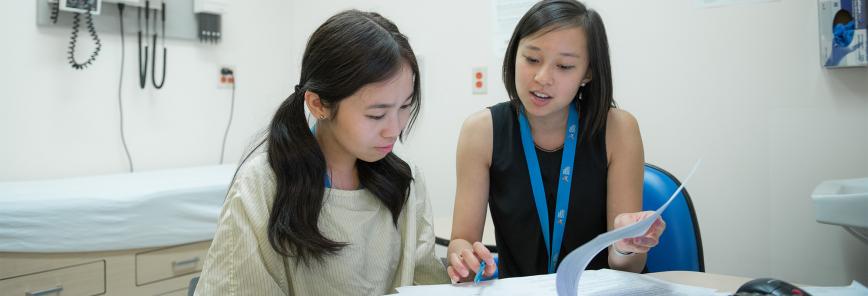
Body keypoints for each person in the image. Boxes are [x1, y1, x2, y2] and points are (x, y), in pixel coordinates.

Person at [195, 10, 449, 295]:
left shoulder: (406, 179)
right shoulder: (262, 186)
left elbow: (427, 282)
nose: (394, 129)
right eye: (377, 115)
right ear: (318, 105)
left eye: (405, 107)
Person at [447, 0, 666, 282]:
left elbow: (628, 267)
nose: (542, 78)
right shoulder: (481, 132)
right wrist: (464, 258)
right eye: (532, 59)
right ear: (514, 54)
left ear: (587, 73)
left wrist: (626, 245)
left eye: (564, 66)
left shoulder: (618, 129)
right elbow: (461, 240)